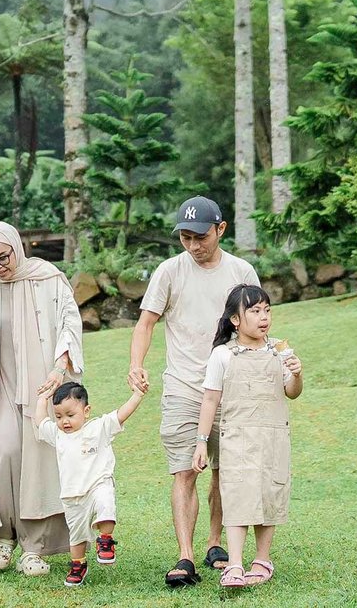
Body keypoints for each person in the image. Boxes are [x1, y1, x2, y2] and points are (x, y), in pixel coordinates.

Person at [126, 195, 260, 587]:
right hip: (183, 387)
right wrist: (136, 364)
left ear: (220, 229)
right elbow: (146, 323)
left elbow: (255, 323)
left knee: (225, 470)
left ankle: (215, 543)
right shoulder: (169, 272)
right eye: (185, 237)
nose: (192, 245)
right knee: (184, 470)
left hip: (232, 388)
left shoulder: (242, 271)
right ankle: (185, 556)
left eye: (199, 236)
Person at [0, 220, 85, 577]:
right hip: (1, 388)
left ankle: (36, 546)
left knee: (39, 461)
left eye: (2, 258)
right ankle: (4, 536)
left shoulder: (48, 278)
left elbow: (69, 325)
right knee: (5, 453)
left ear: (17, 246)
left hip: (42, 387)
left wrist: (60, 368)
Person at [194, 285, 303, 587]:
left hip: (273, 438)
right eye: (255, 311)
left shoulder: (281, 350)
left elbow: (292, 393)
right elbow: (210, 400)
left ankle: (263, 560)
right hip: (237, 440)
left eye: (267, 310)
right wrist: (201, 443)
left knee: (270, 493)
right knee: (237, 496)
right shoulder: (222, 355)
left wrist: (296, 373)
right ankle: (235, 565)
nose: (263, 317)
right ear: (236, 320)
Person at [33, 378, 149, 587]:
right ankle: (78, 564)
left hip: (98, 484)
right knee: (76, 535)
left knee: (105, 503)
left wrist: (137, 395)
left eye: (70, 415)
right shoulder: (58, 435)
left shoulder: (99, 428)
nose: (64, 421)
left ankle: (105, 540)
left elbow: (122, 414)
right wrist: (43, 398)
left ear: (86, 411)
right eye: (59, 416)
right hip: (71, 496)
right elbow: (40, 420)